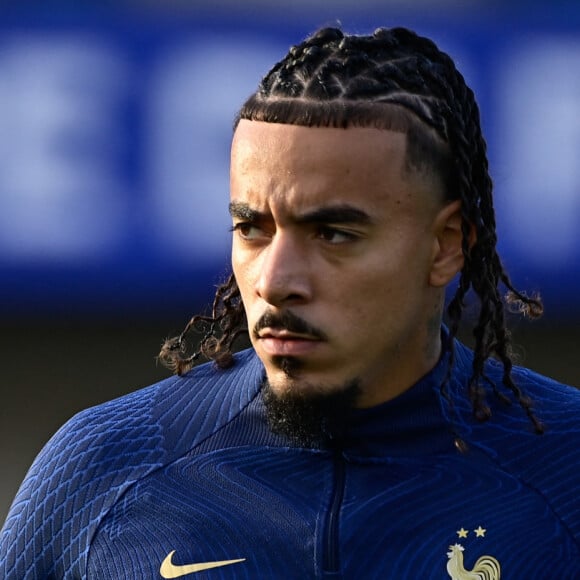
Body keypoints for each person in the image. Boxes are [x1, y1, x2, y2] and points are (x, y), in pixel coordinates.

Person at [1, 25, 579, 579]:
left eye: (333, 233)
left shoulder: (565, 475)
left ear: (446, 244)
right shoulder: (104, 469)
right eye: (252, 229)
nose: (275, 282)